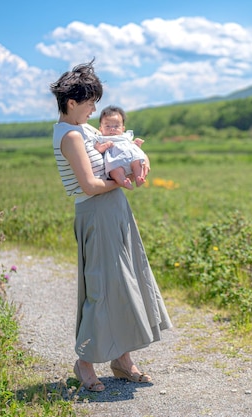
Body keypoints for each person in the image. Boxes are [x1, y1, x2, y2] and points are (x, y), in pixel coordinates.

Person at [50, 60, 172, 392]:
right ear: (72, 102)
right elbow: (90, 185)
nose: (93, 110)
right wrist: (124, 182)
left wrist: (137, 159)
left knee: (125, 282)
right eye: (89, 104)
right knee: (101, 287)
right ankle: (85, 362)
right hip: (96, 211)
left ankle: (121, 359)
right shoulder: (70, 135)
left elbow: (118, 147)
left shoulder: (85, 130)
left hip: (114, 210)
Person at [95, 105, 148, 189]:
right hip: (115, 160)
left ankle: (139, 177)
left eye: (116, 126)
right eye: (107, 126)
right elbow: (98, 148)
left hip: (131, 157)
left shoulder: (125, 136)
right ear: (101, 129)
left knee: (138, 161)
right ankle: (124, 181)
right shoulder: (102, 138)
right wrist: (105, 145)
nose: (112, 129)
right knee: (114, 170)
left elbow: (130, 144)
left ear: (123, 129)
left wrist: (136, 143)